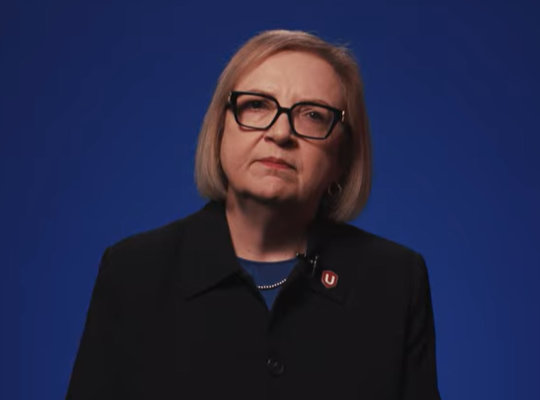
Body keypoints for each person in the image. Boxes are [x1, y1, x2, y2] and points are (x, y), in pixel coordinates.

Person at [66, 29, 441, 399]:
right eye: (258, 105)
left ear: (343, 157)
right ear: (220, 130)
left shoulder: (395, 280)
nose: (280, 133)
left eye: (313, 115)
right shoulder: (133, 272)